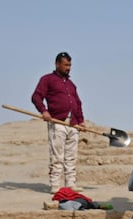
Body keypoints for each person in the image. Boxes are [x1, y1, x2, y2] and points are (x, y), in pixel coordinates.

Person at [31, 51, 85, 193]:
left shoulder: (71, 84)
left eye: (70, 65)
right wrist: (43, 111)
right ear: (57, 64)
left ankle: (70, 184)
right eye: (66, 65)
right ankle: (55, 185)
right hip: (58, 122)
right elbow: (36, 97)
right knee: (57, 156)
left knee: (71, 156)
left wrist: (81, 121)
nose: (68, 68)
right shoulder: (47, 79)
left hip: (73, 123)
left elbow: (78, 103)